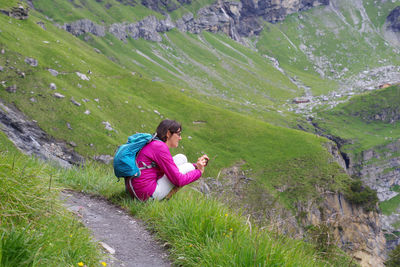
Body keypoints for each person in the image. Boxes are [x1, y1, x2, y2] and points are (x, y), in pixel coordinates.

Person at [125, 119, 209, 201]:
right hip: (146, 195)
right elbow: (179, 180)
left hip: (135, 189)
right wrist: (199, 171)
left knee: (181, 158)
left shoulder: (154, 143)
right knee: (188, 167)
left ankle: (164, 197)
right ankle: (164, 200)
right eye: (178, 134)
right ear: (168, 133)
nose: (180, 138)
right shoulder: (160, 148)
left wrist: (197, 165)